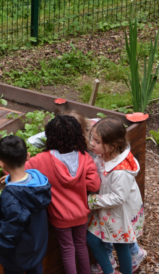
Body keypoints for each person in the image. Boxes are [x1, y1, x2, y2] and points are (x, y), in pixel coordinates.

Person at [24, 115, 101, 274]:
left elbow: (20, 170)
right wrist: (79, 183)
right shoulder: (85, 157)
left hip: (59, 216)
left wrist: (7, 173)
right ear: (77, 135)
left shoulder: (41, 160)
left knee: (67, 249)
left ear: (50, 136)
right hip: (81, 214)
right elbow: (94, 185)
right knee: (81, 245)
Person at [0, 135, 51, 274]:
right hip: (36, 248)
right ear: (28, 156)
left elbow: (10, 231)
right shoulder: (38, 181)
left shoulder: (11, 197)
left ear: (1, 164)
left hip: (17, 256)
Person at [86, 117, 145, 274]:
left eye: (97, 141)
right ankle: (109, 270)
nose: (92, 143)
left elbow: (119, 198)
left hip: (119, 212)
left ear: (112, 146)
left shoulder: (120, 172)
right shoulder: (106, 154)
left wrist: (92, 200)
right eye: (92, 138)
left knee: (121, 245)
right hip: (107, 209)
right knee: (92, 238)